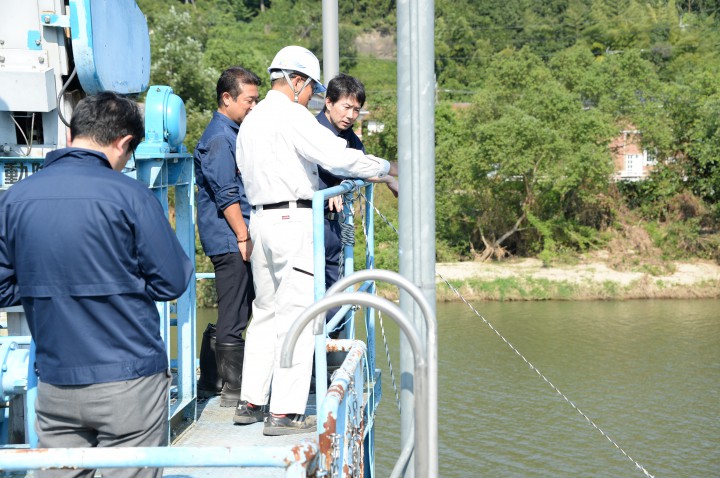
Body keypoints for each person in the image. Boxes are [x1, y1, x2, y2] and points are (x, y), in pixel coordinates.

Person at [0, 92, 194, 478]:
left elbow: (4, 289)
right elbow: (172, 281)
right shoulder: (130, 196)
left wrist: (52, 286)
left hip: (56, 384)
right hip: (130, 381)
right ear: (123, 143)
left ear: (72, 135)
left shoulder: (14, 200)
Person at [233, 46, 397, 436]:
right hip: (294, 220)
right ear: (297, 80)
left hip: (260, 218)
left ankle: (251, 401)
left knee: (266, 313)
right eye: (312, 90)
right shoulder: (292, 116)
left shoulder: (252, 120)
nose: (312, 98)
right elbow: (336, 157)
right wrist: (388, 168)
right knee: (298, 316)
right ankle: (285, 413)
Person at [194, 67, 260, 407]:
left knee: (237, 309)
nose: (253, 106)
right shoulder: (221, 138)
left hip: (234, 235)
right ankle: (234, 389)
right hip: (230, 237)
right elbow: (226, 194)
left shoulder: (233, 132)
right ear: (227, 98)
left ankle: (211, 377)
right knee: (235, 313)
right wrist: (242, 235)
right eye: (249, 100)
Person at [315, 73, 398, 334]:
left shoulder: (349, 135)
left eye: (356, 110)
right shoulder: (314, 132)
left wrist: (389, 179)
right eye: (346, 107)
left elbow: (360, 166)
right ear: (328, 102)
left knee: (338, 293)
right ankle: (319, 362)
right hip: (311, 224)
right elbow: (318, 168)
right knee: (318, 297)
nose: (351, 115)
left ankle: (332, 357)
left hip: (335, 226)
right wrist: (333, 188)